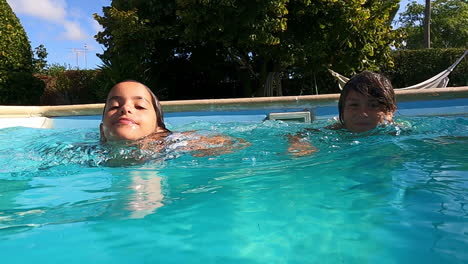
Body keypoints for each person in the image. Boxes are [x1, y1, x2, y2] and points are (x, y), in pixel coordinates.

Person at [100, 80, 250, 157]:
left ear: (158, 128)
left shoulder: (170, 145)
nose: (125, 109)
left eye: (139, 106)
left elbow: (235, 144)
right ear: (102, 131)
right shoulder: (86, 154)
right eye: (114, 106)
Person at [288, 71, 397, 156]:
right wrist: (298, 143)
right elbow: (299, 133)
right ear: (342, 109)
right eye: (354, 105)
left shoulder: (398, 133)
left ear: (390, 111)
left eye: (373, 105)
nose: (363, 113)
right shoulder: (336, 130)